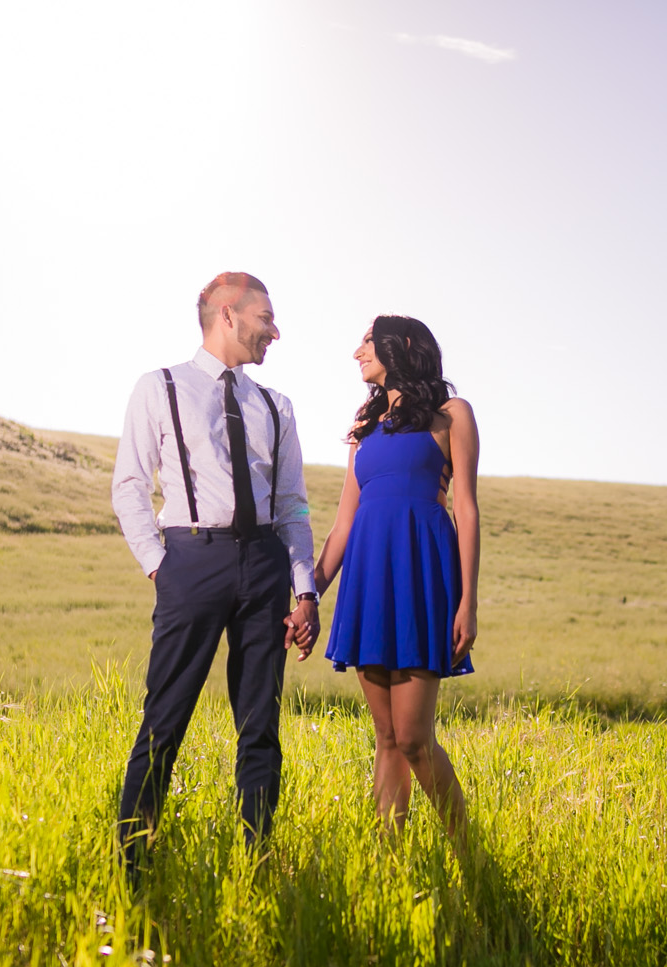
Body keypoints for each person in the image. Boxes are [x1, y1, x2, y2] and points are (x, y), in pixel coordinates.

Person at [110, 272, 319, 876]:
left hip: (264, 565)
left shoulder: (276, 408)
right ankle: (132, 865)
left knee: (260, 726)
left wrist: (303, 589)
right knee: (164, 721)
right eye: (266, 318)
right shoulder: (160, 387)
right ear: (228, 314)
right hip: (190, 561)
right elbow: (129, 485)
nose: (274, 332)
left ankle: (256, 864)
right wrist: (160, 567)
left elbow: (293, 507)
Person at [315, 315, 481, 834]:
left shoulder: (450, 414)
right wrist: (306, 592)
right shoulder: (363, 429)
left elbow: (467, 509)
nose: (357, 351)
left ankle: (468, 851)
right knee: (385, 738)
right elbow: (344, 523)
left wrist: (468, 602)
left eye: (367, 341)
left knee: (412, 737)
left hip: (420, 575)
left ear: (401, 345)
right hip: (368, 580)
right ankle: (387, 868)